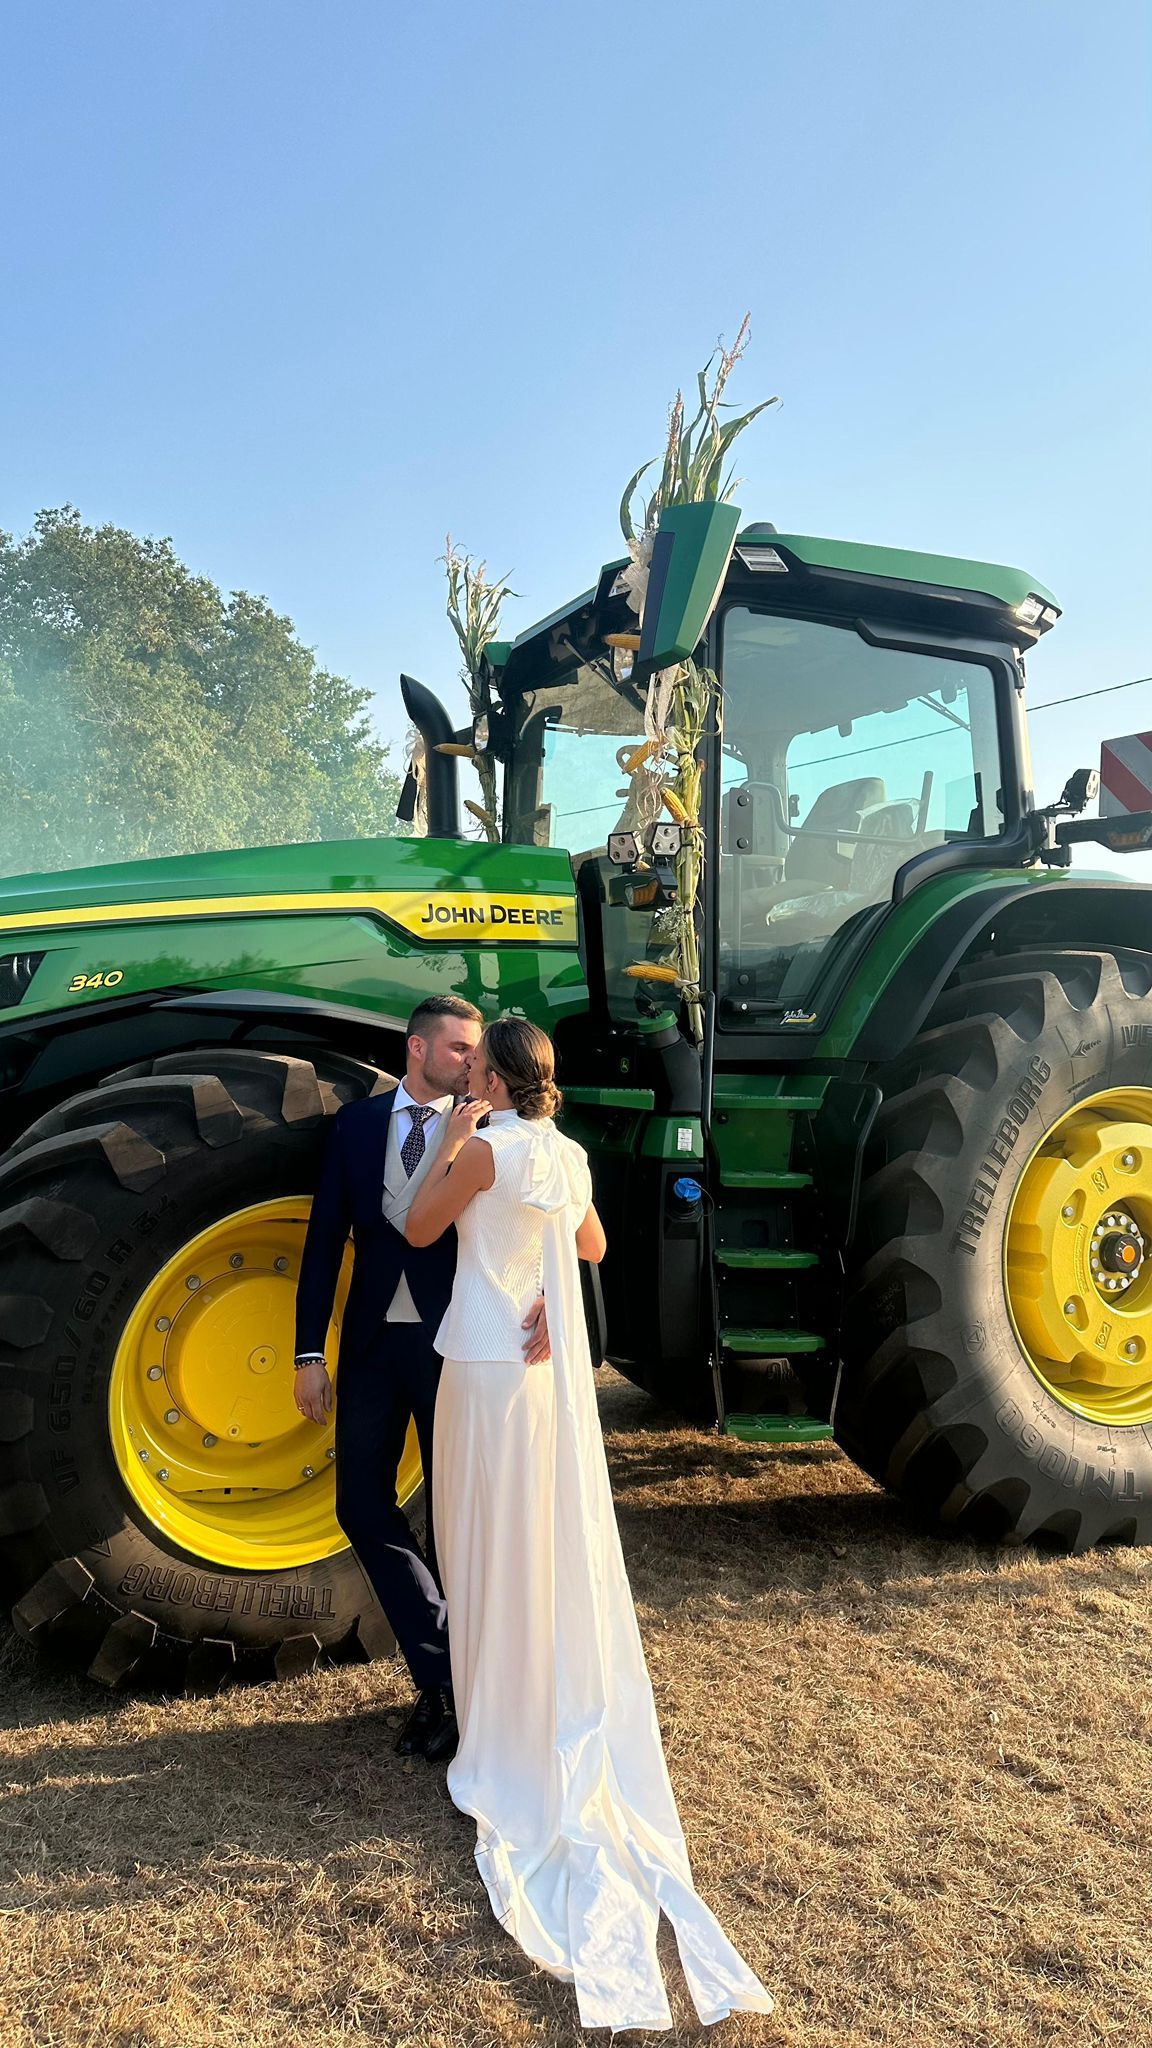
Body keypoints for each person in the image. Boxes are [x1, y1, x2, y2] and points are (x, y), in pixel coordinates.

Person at [405, 1015, 774, 2034]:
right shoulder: (561, 1153)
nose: (465, 1072)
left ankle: (491, 1723)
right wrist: (546, 1295)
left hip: (483, 1368)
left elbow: (419, 1228)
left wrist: (450, 1137)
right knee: (525, 1538)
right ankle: (521, 1704)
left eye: (476, 1065)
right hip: (538, 1375)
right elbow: (594, 1244)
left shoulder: (481, 1146)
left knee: (477, 1543)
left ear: (495, 1075)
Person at [292, 995, 548, 1764]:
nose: (474, 1063)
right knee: (361, 1506)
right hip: (371, 1346)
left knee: (458, 1518)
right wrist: (310, 1354)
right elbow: (324, 1240)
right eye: (462, 1049)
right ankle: (443, 1670)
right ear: (417, 1049)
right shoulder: (359, 1125)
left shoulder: (500, 1130)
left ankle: (456, 1693)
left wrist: (552, 1304)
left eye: (479, 1055)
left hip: (459, 1346)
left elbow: (549, 1221)